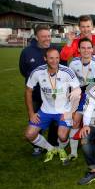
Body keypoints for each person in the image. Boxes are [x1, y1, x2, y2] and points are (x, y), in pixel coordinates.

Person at [24, 48, 81, 164]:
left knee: (63, 136)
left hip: (63, 110)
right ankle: (51, 148)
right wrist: (31, 113)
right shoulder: (37, 72)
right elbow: (28, 91)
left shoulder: (67, 71)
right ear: (45, 59)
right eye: (51, 58)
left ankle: (60, 149)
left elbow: (77, 90)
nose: (55, 61)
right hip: (45, 111)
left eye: (57, 58)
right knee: (29, 134)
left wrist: (70, 112)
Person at [19, 24, 59, 155]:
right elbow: (24, 71)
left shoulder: (55, 49)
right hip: (35, 94)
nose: (47, 39)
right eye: (43, 36)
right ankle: (37, 146)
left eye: (48, 36)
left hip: (52, 94)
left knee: (54, 120)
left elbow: (62, 69)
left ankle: (53, 144)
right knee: (35, 117)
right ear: (36, 37)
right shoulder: (27, 52)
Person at [68, 38, 95, 160]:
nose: (86, 50)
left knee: (91, 124)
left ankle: (92, 150)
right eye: (83, 48)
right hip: (78, 96)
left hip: (92, 96)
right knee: (75, 122)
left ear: (92, 49)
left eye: (89, 48)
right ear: (78, 49)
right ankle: (73, 153)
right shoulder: (73, 63)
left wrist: (82, 86)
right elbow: (71, 83)